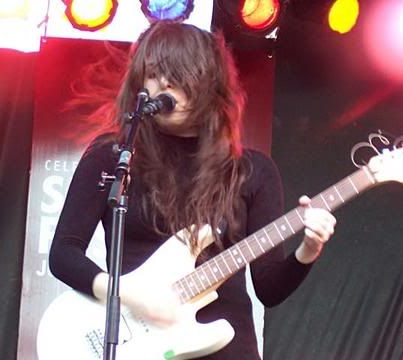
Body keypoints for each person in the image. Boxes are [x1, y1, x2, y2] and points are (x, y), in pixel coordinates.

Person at [49, 20, 337, 359]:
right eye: (153, 73)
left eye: (178, 74)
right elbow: (64, 254)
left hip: (225, 348)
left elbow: (269, 288)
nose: (163, 84)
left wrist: (308, 250)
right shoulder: (114, 156)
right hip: (136, 346)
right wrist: (125, 294)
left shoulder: (251, 171)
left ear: (208, 85)